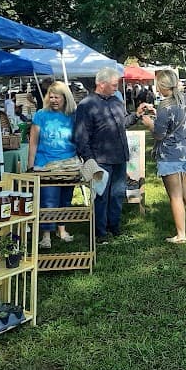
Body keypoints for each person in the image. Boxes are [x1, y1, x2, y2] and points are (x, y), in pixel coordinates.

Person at [74, 67, 147, 242]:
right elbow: (81, 136)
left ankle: (114, 226)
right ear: (101, 84)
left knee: (117, 194)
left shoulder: (116, 101)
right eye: (114, 85)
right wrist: (89, 159)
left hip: (119, 156)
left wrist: (136, 115)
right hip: (100, 158)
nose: (116, 88)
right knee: (101, 196)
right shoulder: (86, 105)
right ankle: (100, 232)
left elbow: (123, 123)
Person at [140, 69, 186, 244]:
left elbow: (159, 134)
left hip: (171, 154)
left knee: (175, 195)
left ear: (162, 85)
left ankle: (181, 235)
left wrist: (149, 124)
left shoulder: (165, 106)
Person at [27, 81, 78, 248]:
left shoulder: (73, 115)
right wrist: (30, 166)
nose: (54, 100)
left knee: (65, 198)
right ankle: (46, 235)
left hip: (68, 163)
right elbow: (33, 142)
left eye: (58, 97)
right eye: (51, 97)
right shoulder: (41, 115)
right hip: (45, 163)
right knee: (48, 200)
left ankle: (62, 230)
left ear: (65, 98)